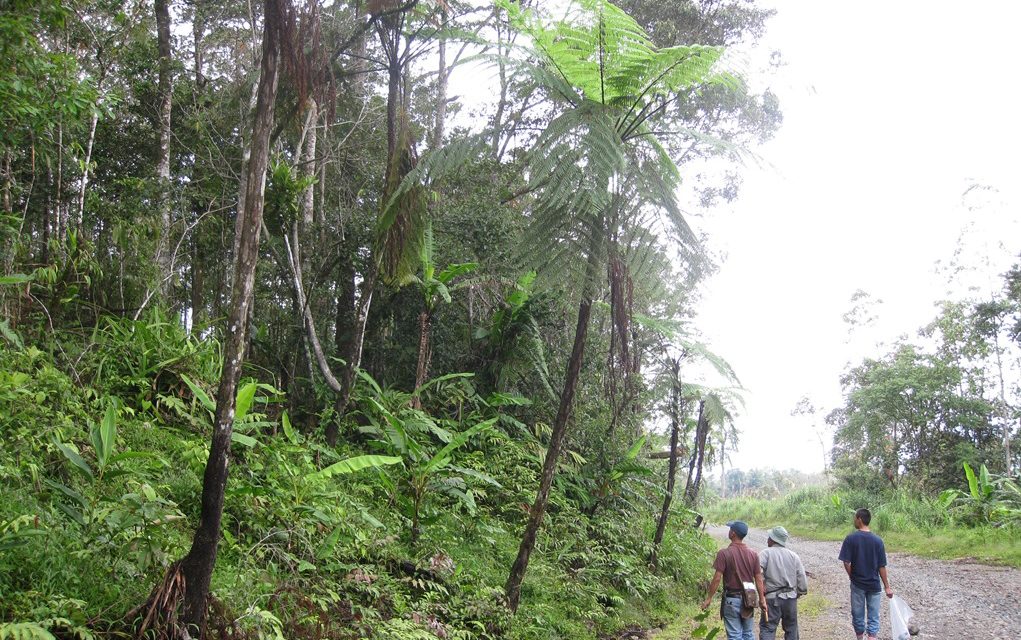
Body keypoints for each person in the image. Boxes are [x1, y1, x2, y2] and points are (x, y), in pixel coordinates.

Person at [701, 520, 766, 640]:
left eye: (730, 529)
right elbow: (758, 579)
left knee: (734, 635)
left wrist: (709, 598)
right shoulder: (753, 554)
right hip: (749, 598)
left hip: (732, 599)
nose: (729, 531)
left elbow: (717, 578)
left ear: (733, 534)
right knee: (748, 633)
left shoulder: (724, 553)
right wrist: (762, 599)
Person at [838, 508, 893, 640]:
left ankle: (860, 637)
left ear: (860, 519)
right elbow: (881, 566)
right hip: (874, 584)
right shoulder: (878, 541)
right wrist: (887, 587)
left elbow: (846, 562)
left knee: (858, 614)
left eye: (855, 518)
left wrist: (852, 576)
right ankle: (872, 637)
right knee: (874, 615)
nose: (854, 520)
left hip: (858, 584)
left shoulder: (851, 539)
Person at [758, 525, 808, 640]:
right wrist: (799, 593)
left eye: (769, 537)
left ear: (773, 539)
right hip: (790, 598)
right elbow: (801, 577)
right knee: (791, 629)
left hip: (771, 598)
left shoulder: (765, 554)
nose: (767, 539)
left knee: (768, 628)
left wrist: (762, 586)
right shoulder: (793, 556)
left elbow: (757, 573)